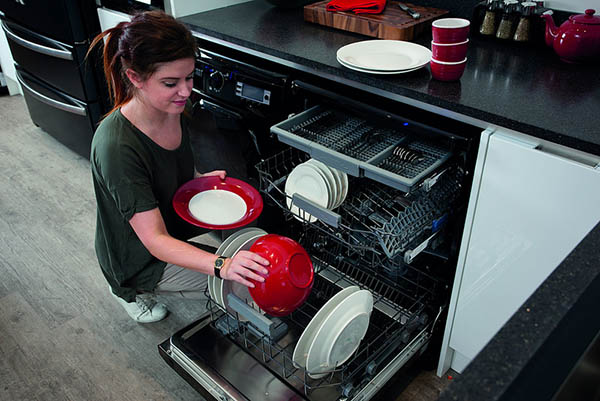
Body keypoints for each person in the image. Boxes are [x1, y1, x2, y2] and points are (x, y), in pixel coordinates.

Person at [88, 11, 269, 323]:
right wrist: (222, 266)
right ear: (135, 78)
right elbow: (155, 240)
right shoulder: (116, 147)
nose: (186, 91)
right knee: (239, 284)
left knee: (256, 252)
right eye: (171, 82)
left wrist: (200, 179)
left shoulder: (170, 107)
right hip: (139, 256)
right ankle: (128, 290)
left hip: (169, 223)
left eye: (190, 77)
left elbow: (169, 166)